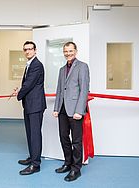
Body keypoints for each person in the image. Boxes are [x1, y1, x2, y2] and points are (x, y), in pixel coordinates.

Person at [53, 41, 90, 182]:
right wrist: (56, 108)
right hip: (62, 109)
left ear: (76, 51)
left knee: (76, 141)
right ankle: (67, 163)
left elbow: (84, 90)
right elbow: (59, 90)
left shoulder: (82, 67)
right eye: (66, 51)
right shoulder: (62, 69)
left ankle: (76, 169)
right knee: (63, 137)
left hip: (75, 110)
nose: (68, 54)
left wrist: (79, 110)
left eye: (70, 51)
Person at [13, 41, 46, 175]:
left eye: (30, 49)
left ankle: (35, 165)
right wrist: (20, 91)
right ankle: (32, 157)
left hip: (36, 105)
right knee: (30, 133)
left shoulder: (37, 65)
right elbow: (27, 84)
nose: (27, 51)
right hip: (29, 104)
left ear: (35, 50)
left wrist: (18, 94)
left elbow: (29, 85)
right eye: (25, 49)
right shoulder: (30, 64)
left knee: (35, 134)